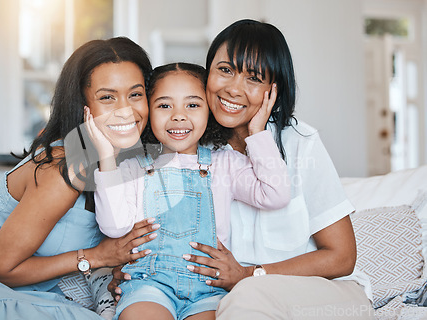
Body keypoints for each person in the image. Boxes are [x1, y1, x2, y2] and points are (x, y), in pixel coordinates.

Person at [109, 20, 374, 319]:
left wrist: (250, 274)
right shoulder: (188, 146)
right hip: (227, 295)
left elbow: (341, 257)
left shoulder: (300, 143)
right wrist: (135, 270)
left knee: (244, 300)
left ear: (273, 90)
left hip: (317, 293)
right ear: (207, 74)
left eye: (254, 78)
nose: (234, 89)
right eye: (225, 70)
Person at [0, 37, 158, 320]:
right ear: (82, 106)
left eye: (135, 94)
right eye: (107, 97)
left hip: (12, 291)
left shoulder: (123, 165)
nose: (125, 110)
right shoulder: (63, 167)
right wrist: (98, 257)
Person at [89, 62, 290, 320]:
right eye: (164, 105)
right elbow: (113, 227)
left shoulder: (224, 164)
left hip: (208, 289)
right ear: (148, 111)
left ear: (209, 110)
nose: (178, 115)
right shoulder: (131, 168)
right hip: (149, 284)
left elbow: (276, 193)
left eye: (192, 105)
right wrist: (106, 158)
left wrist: (257, 131)